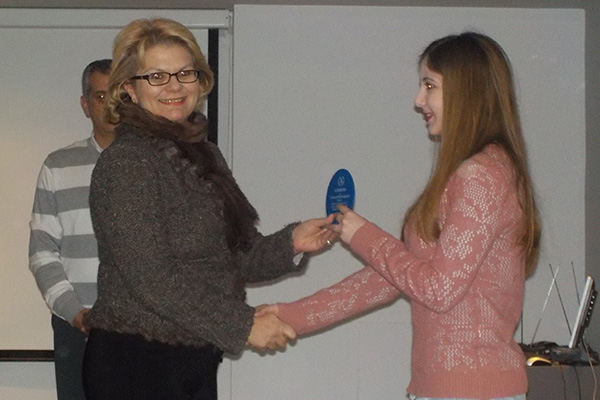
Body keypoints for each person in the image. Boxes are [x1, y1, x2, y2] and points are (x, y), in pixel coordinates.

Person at [259, 32, 541, 400]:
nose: (418, 100)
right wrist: (289, 315)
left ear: (466, 91)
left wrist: (364, 235)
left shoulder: (482, 176)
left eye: (430, 85)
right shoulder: (476, 173)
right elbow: (391, 279)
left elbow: (438, 290)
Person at [81, 17, 336, 400]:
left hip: (192, 357)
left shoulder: (203, 154)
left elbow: (231, 258)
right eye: (156, 76)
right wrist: (243, 324)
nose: (174, 86)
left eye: (185, 73)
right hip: (136, 365)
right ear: (129, 89)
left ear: (200, 81)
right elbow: (152, 280)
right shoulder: (127, 162)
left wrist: (292, 242)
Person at [28, 59, 116, 400]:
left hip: (143, 331)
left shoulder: (157, 164)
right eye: (100, 96)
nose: (111, 106)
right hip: (76, 327)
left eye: (119, 95)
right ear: (85, 104)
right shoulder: (58, 166)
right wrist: (75, 312)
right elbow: (42, 251)